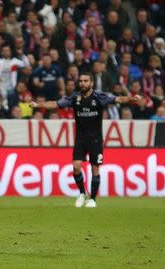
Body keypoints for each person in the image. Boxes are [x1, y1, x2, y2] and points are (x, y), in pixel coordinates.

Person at [30, 73, 141, 208]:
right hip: (80, 139)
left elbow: (118, 99)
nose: (83, 83)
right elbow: (55, 104)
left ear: (91, 83)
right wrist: (38, 105)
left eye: (86, 81)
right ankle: (82, 193)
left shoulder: (99, 97)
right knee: (76, 167)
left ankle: (93, 199)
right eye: (81, 81)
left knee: (95, 168)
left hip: (95, 139)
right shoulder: (74, 98)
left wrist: (131, 98)